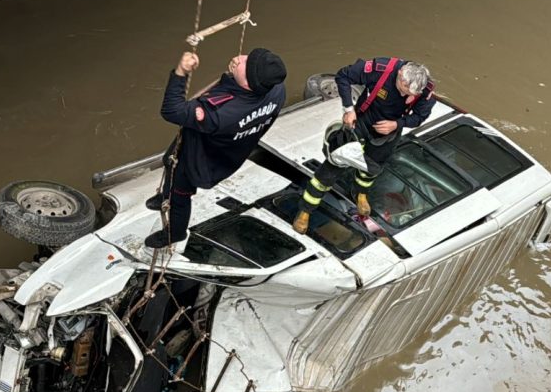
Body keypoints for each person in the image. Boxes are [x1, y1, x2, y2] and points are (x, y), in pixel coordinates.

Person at [145, 48, 287, 248]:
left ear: (248, 84)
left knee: (180, 195)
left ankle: (174, 233)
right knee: (169, 159)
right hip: (230, 149)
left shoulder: (220, 112)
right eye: (248, 56)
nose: (240, 58)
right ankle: (164, 196)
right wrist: (233, 77)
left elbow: (171, 110)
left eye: (245, 64)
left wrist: (181, 73)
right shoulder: (277, 89)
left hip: (201, 160)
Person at [293, 57, 434, 234]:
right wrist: (348, 110)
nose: (409, 97)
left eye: (414, 95)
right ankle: (305, 210)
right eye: (406, 90)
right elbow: (343, 76)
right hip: (360, 122)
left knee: (372, 168)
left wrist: (397, 124)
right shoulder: (381, 69)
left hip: (388, 132)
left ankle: (361, 193)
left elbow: (420, 116)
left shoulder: (423, 89)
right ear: (400, 75)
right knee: (331, 169)